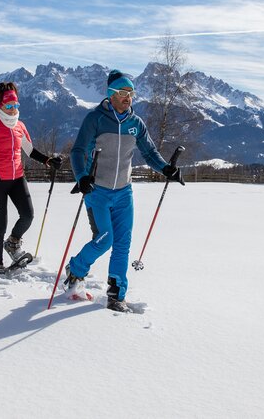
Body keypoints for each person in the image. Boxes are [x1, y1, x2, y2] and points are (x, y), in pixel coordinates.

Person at [65, 70, 184, 312]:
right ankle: (75, 269)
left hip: (123, 193)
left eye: (131, 92)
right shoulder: (95, 119)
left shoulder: (135, 123)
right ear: (111, 94)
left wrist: (166, 170)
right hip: (97, 191)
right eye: (122, 92)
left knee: (122, 243)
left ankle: (116, 294)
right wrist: (82, 177)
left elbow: (149, 153)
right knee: (104, 239)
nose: (128, 97)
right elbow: (77, 151)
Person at [0, 82, 61, 276]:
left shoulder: (20, 126)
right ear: (0, 105)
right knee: (0, 225)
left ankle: (13, 242)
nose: (12, 110)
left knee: (28, 215)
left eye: (15, 106)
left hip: (18, 177)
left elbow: (30, 150)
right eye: (9, 106)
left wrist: (48, 160)